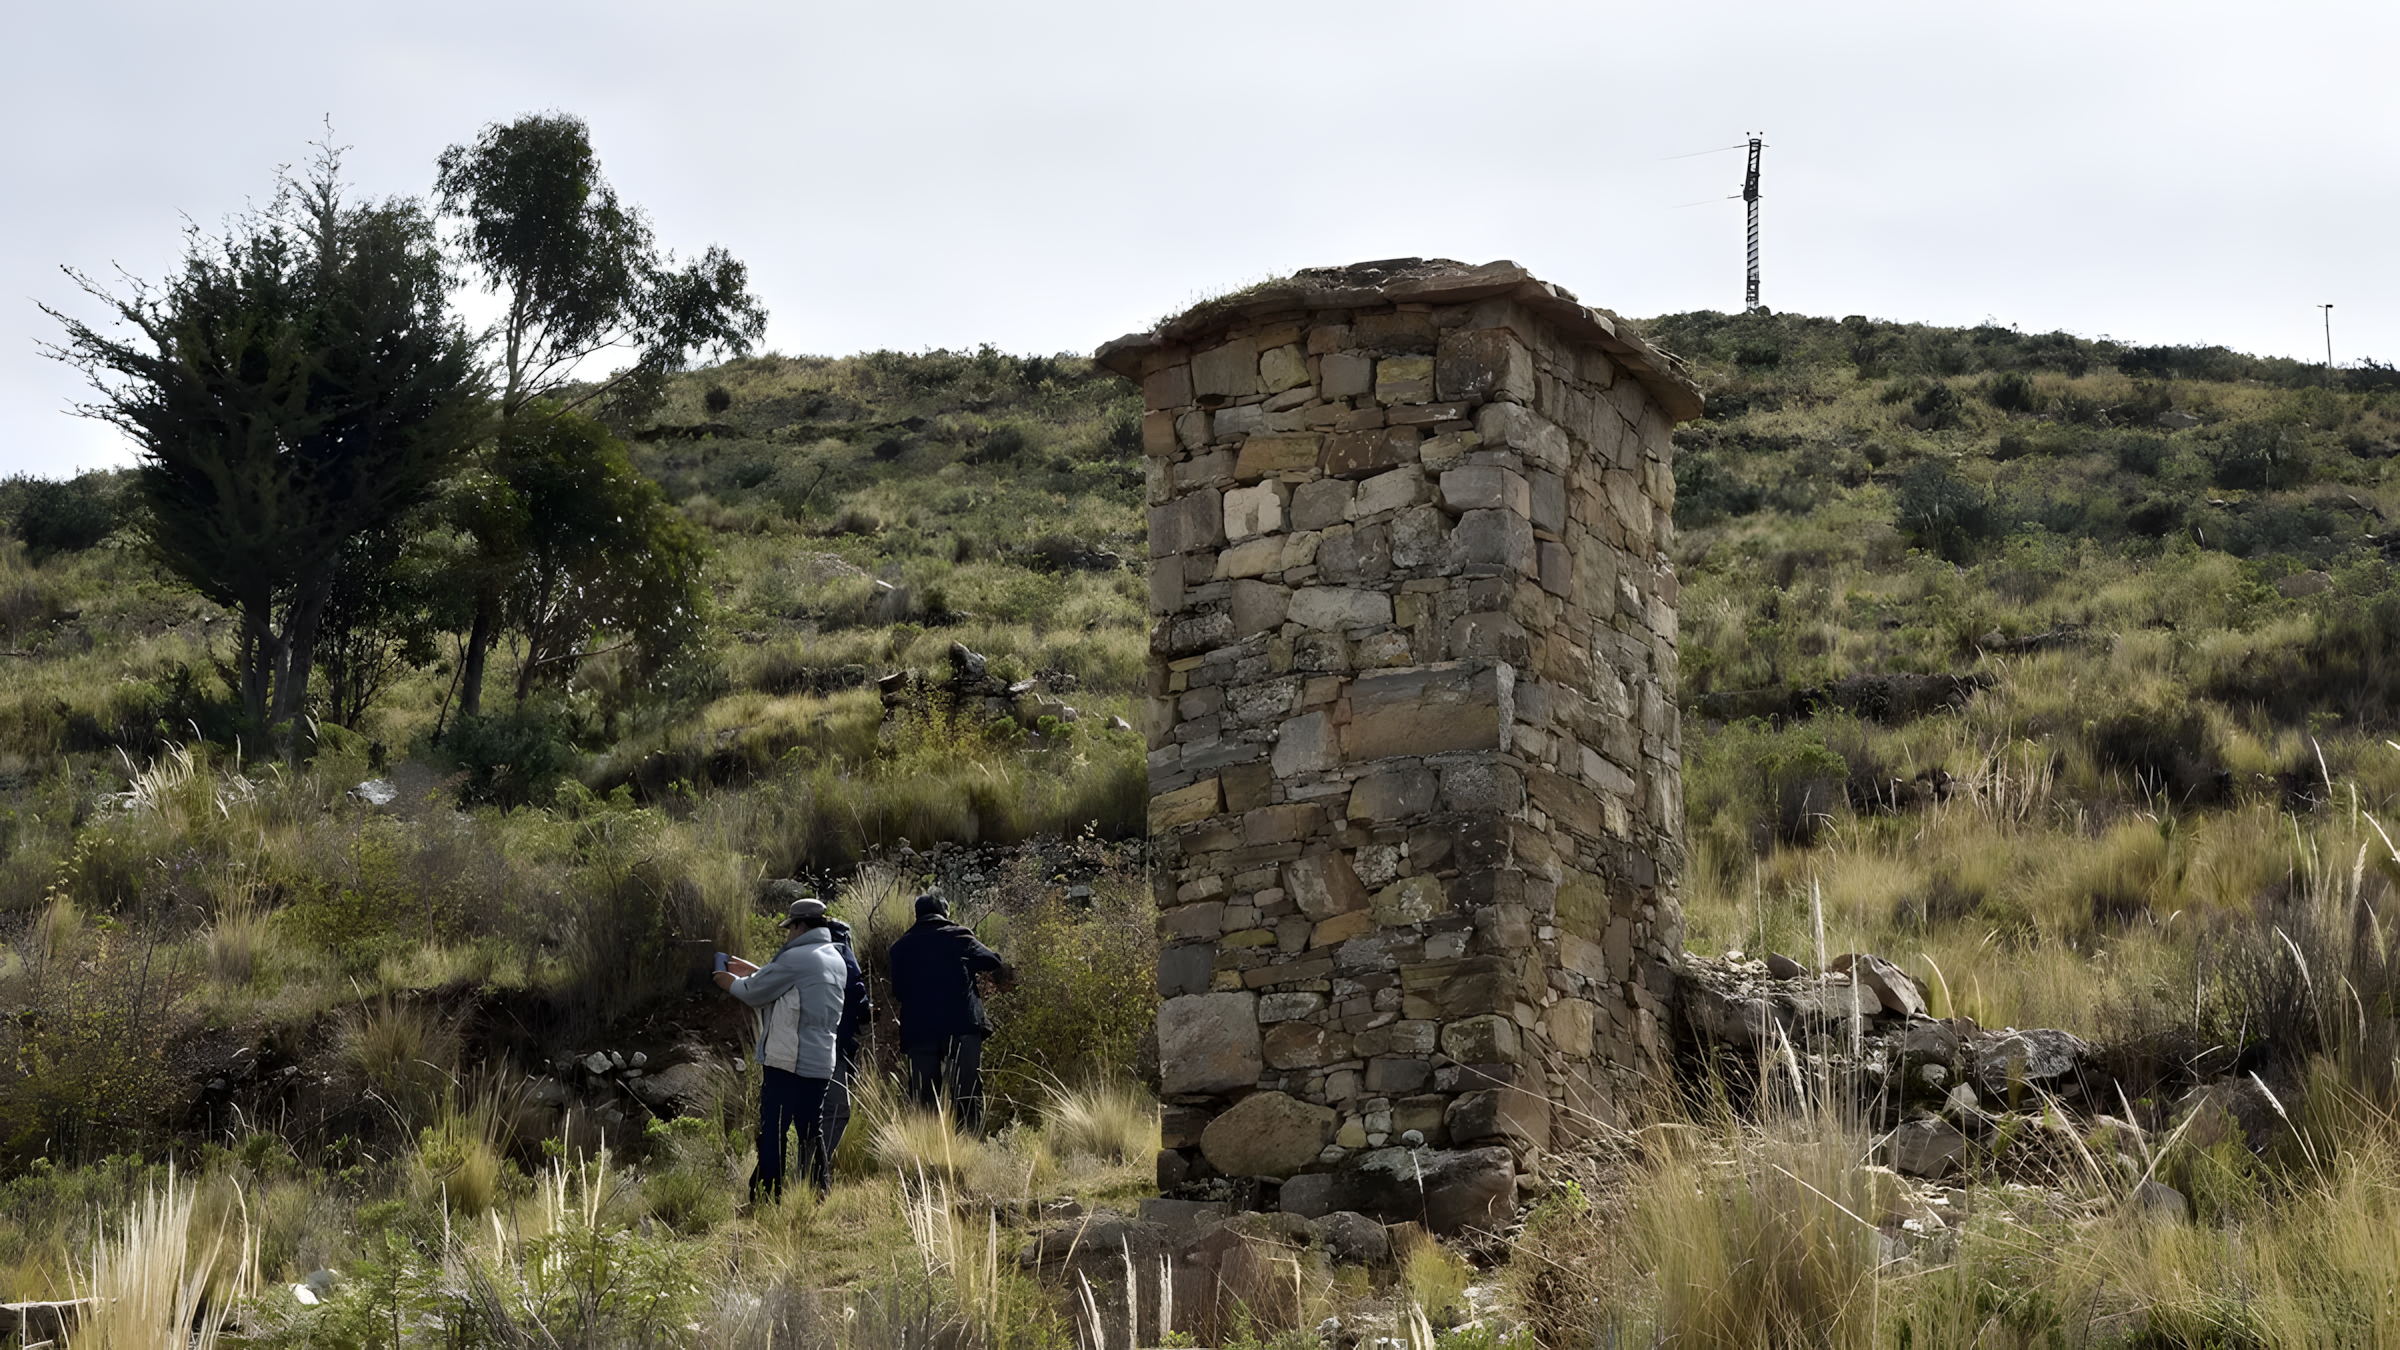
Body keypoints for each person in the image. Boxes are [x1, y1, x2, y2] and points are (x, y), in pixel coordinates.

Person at [716, 895, 868, 1202]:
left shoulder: (796, 957)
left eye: (790, 928)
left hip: (787, 1061)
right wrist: (758, 971)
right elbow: (795, 987)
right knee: (812, 1129)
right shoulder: (835, 958)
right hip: (822, 1062)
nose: (788, 934)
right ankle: (818, 1192)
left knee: (774, 1129)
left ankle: (767, 1197)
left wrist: (724, 979)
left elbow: (754, 992)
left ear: (800, 926)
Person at [886, 892, 1014, 1133]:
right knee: (966, 1089)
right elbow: (992, 961)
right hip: (961, 1024)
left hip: (919, 1028)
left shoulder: (900, 947)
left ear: (917, 914)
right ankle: (969, 1143)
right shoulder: (959, 936)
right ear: (945, 913)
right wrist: (966, 962)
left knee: (924, 1095)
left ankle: (928, 1145)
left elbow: (899, 991)